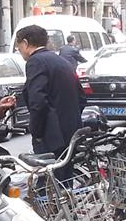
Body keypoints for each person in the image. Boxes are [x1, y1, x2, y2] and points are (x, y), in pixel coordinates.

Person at [15, 24, 82, 156]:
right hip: (72, 132)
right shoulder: (62, 61)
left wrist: (36, 132)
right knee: (66, 169)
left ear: (25, 43)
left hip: (51, 137)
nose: (19, 50)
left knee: (46, 169)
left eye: (19, 47)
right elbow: (81, 97)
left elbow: (38, 101)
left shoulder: (35, 61)